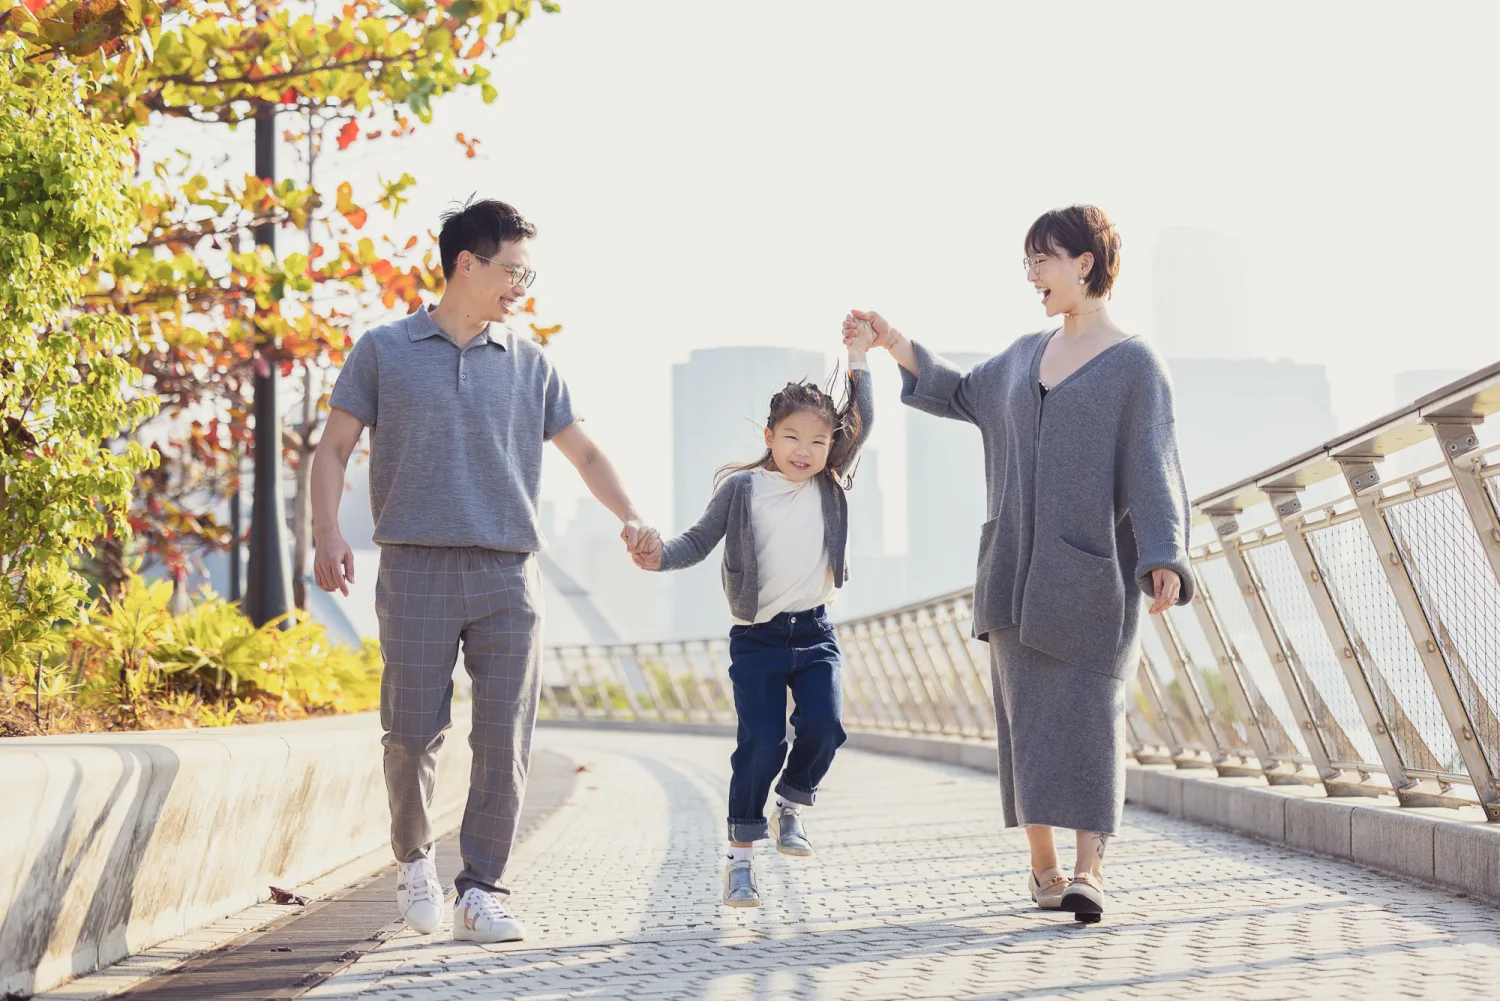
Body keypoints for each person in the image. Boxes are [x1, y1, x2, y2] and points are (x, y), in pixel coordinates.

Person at [311, 198, 659, 943]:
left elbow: (586, 454)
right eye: (512, 271)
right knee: (410, 734)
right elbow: (334, 448)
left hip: (508, 573)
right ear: (466, 263)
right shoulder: (383, 350)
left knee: (505, 736)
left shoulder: (532, 364)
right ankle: (414, 861)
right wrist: (324, 533)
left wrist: (628, 513)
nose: (521, 287)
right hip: (415, 568)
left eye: (527, 275)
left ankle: (482, 887)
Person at [842, 204, 1193, 924]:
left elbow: (1154, 464)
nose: (1033, 275)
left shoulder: (1135, 365)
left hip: (1095, 576)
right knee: (1027, 721)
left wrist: (1165, 556)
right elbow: (956, 391)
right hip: (1013, 572)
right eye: (1028, 263)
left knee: (1096, 716)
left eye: (1044, 259)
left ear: (1084, 263)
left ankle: (1090, 871)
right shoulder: (1023, 355)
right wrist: (891, 341)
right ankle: (1044, 867)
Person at [633, 324, 877, 907]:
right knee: (760, 743)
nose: (803, 450)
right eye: (791, 437)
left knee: (825, 727)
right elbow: (695, 541)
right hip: (758, 640)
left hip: (815, 631)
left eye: (817, 442)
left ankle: (791, 805)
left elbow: (862, 419)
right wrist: (657, 556)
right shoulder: (743, 490)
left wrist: (859, 354)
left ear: (830, 448)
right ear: (770, 436)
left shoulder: (830, 482)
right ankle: (740, 860)